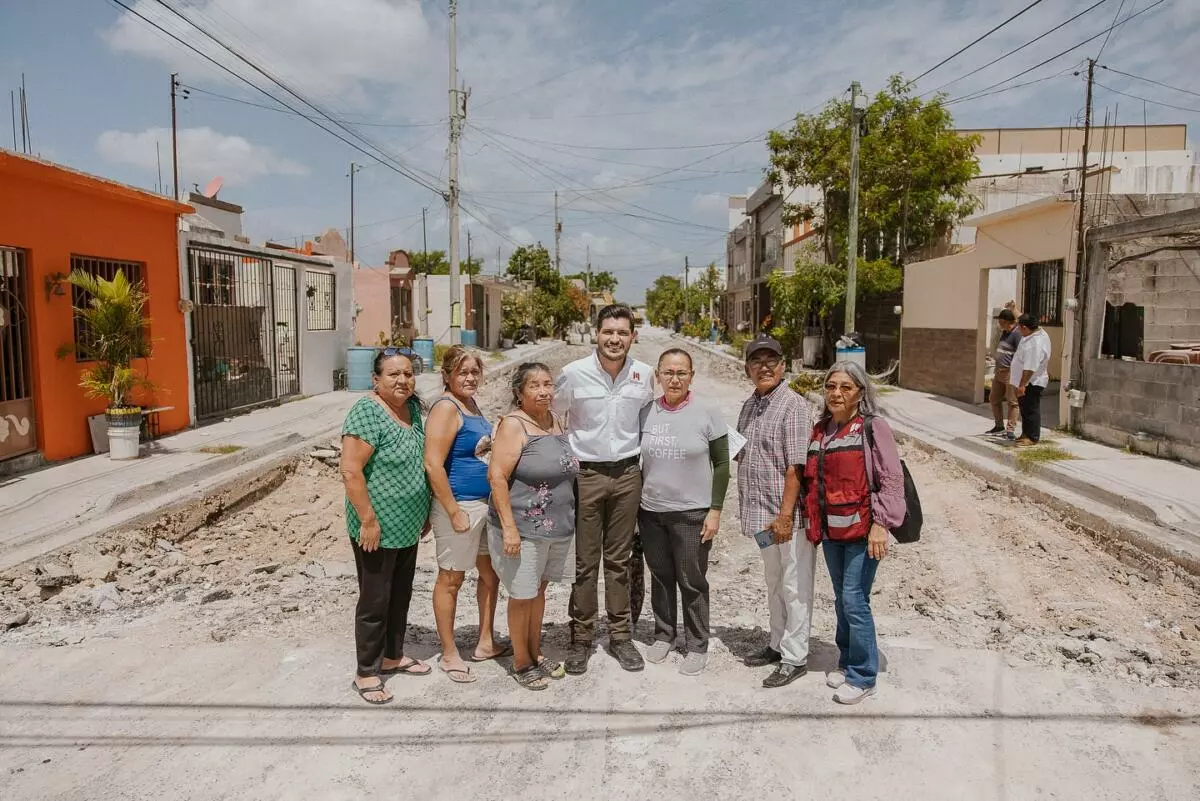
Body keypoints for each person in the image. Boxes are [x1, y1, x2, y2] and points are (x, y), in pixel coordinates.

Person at [554, 304, 654, 674]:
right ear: (596, 332)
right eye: (608, 331)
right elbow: (554, 417)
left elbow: (648, 423)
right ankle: (580, 639)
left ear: (633, 336)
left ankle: (620, 637)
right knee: (585, 563)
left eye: (622, 333)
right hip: (587, 475)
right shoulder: (573, 373)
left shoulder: (644, 375)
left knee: (620, 561)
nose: (615, 339)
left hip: (628, 474)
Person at [804, 361, 905, 705]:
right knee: (842, 599)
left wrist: (882, 524)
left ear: (860, 393)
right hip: (832, 531)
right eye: (831, 386)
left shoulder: (874, 428)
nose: (836, 393)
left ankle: (864, 676)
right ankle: (847, 662)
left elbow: (891, 478)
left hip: (864, 531)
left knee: (854, 599)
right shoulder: (822, 429)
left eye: (846, 387)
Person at [340, 349, 433, 705]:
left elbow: (416, 463)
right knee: (375, 599)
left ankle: (393, 654)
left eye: (408, 374)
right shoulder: (366, 412)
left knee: (400, 594)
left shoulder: (411, 409)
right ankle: (366, 671)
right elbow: (350, 470)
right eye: (393, 374)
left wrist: (424, 512)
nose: (403, 380)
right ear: (376, 380)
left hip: (407, 526)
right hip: (375, 527)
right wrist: (368, 519)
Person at [637, 348, 730, 676]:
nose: (674, 379)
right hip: (651, 512)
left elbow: (722, 464)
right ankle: (664, 633)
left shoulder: (707, 412)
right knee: (661, 577)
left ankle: (696, 643)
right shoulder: (646, 412)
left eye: (681, 373)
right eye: (668, 372)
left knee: (692, 580)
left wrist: (715, 510)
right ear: (658, 375)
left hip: (692, 513)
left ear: (691, 377)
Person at [488, 363, 580, 691]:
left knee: (539, 590)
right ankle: (521, 661)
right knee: (522, 593)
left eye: (547, 384)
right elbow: (497, 476)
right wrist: (510, 529)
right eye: (534, 386)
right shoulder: (514, 425)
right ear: (519, 392)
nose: (543, 391)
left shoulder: (553, 420)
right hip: (523, 527)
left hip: (553, 527)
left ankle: (535, 650)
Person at [735, 333, 816, 689]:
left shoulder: (794, 406)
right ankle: (776, 643)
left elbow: (795, 467)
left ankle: (795, 656)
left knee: (795, 585)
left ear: (784, 366)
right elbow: (741, 450)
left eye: (771, 361)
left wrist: (785, 516)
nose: (763, 367)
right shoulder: (751, 404)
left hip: (787, 519)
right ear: (748, 369)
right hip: (760, 516)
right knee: (773, 582)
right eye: (756, 361)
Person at [424, 346, 508, 684]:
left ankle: (485, 642)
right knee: (451, 579)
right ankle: (449, 653)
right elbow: (433, 463)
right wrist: (452, 510)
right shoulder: (445, 408)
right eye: (462, 372)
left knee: (491, 575)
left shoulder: (470, 405)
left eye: (475, 371)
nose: (470, 378)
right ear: (446, 376)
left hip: (486, 506)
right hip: (460, 507)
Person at [1009, 312, 1052, 447]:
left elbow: (1030, 368)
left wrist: (1022, 385)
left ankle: (1032, 437)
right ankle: (1025, 433)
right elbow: (1024, 317)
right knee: (1024, 408)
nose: (1017, 330)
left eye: (1019, 327)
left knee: (1030, 409)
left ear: (1025, 328)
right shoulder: (1036, 331)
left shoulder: (1034, 343)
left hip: (1031, 382)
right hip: (1026, 381)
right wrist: (1014, 309)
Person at [986, 309, 1023, 440]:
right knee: (993, 398)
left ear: (1008, 322)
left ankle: (1010, 430)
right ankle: (999, 425)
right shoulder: (1005, 333)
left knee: (1012, 402)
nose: (999, 324)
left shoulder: (1016, 335)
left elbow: (1020, 355)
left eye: (1001, 321)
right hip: (999, 372)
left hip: (1010, 373)